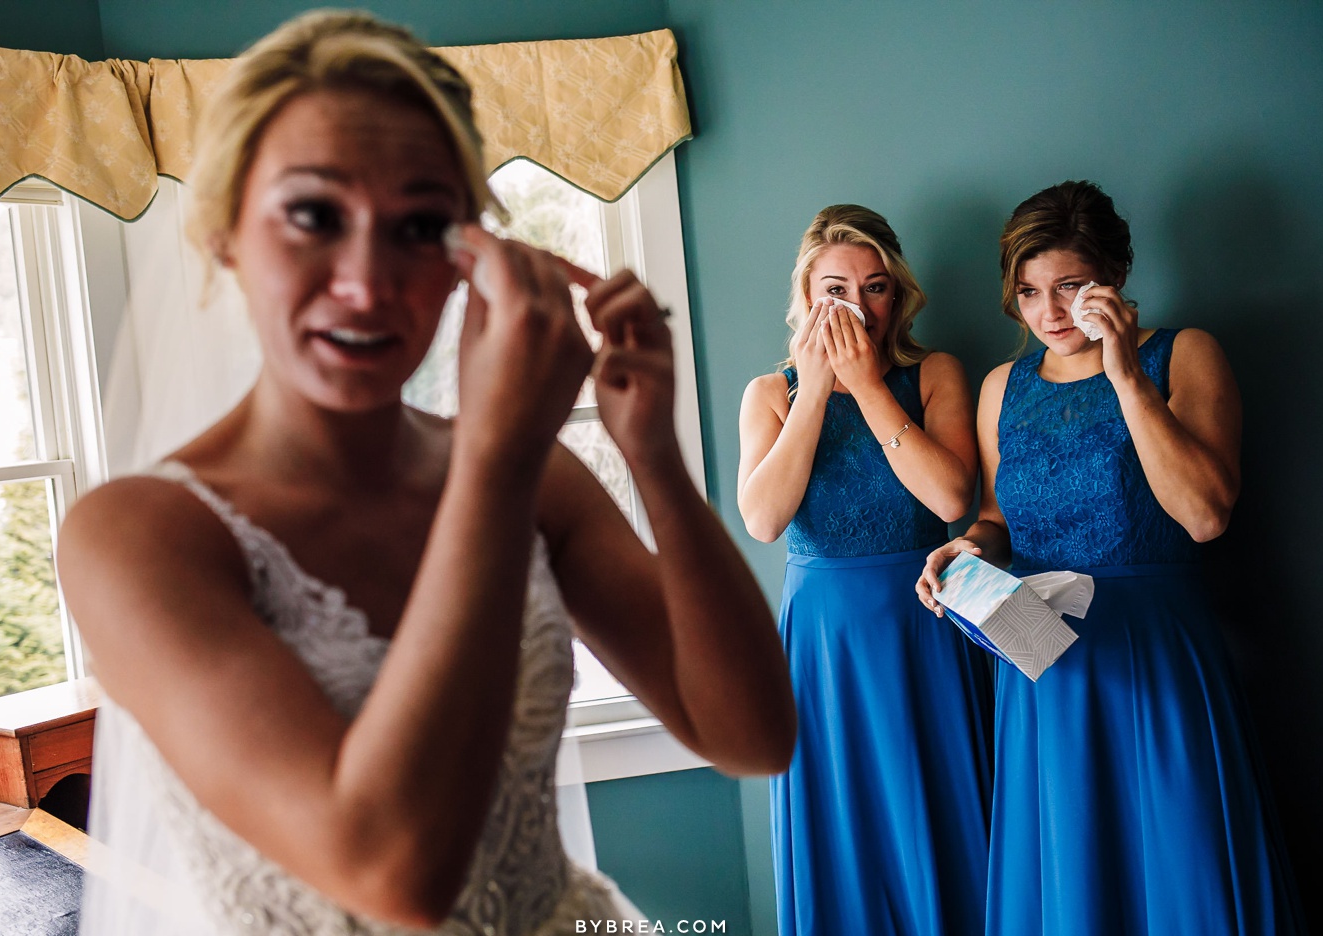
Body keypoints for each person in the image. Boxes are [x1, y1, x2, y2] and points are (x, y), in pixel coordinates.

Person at [58, 10, 796, 935]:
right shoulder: (137, 535)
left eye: (417, 227)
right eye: (313, 216)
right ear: (224, 232)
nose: (366, 281)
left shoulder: (537, 476)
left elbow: (753, 738)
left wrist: (654, 458)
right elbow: (394, 879)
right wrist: (496, 460)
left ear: (467, 259)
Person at [917, 180, 1304, 934]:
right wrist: (967, 546)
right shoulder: (1003, 386)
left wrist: (1126, 374)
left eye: (1068, 286)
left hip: (1156, 655)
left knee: (1178, 866)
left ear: (1113, 277)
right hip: (1042, 656)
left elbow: (1204, 514)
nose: (1050, 313)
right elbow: (998, 515)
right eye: (1029, 292)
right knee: (1070, 878)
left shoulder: (1183, 355)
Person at [738, 204, 992, 936]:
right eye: (836, 290)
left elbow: (950, 497)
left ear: (898, 295)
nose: (859, 306)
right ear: (808, 298)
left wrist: (869, 385)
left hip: (925, 627)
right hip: (824, 646)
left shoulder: (934, 373)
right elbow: (762, 520)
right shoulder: (771, 393)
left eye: (876, 287)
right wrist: (816, 389)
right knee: (840, 823)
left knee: (939, 817)